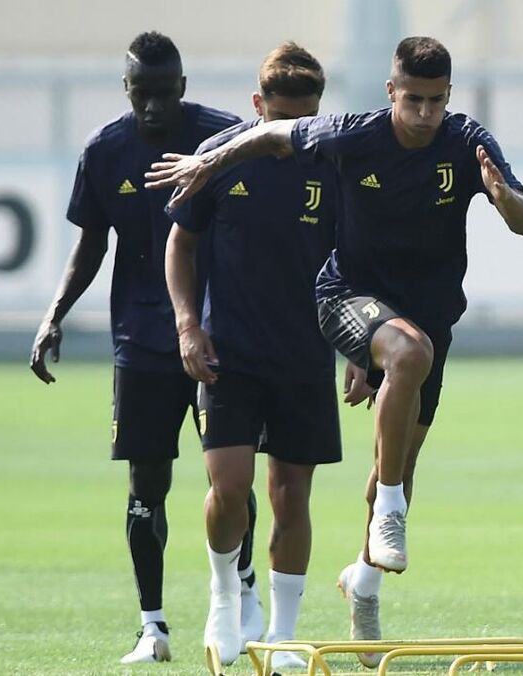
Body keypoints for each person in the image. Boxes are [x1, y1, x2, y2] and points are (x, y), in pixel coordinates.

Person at [146, 36, 523, 666]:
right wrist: (207, 163)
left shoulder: (466, 142)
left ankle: (364, 581)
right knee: (405, 360)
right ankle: (368, 525)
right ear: (391, 92)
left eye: (436, 101)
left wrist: (503, 196)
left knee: (399, 457)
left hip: (424, 316)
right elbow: (271, 137)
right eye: (413, 100)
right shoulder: (353, 135)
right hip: (342, 301)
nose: (424, 114)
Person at [27, 31, 263, 664]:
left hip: (217, 336)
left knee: (230, 478)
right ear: (126, 89)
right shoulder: (105, 150)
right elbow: (91, 245)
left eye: (165, 93)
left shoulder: (224, 138)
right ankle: (152, 627)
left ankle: (243, 597)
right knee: (146, 481)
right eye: (142, 94)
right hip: (141, 342)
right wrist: (54, 315)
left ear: (182, 87)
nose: (154, 106)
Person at [164, 42, 367, 669]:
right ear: (258, 105)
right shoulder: (219, 158)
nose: (290, 134)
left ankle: (281, 635)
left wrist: (361, 346)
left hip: (304, 354)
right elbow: (180, 245)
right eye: (280, 118)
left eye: (303, 120)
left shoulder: (333, 165)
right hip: (229, 351)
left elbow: (359, 260)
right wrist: (188, 326)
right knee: (229, 487)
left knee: (290, 495)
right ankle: (225, 596)